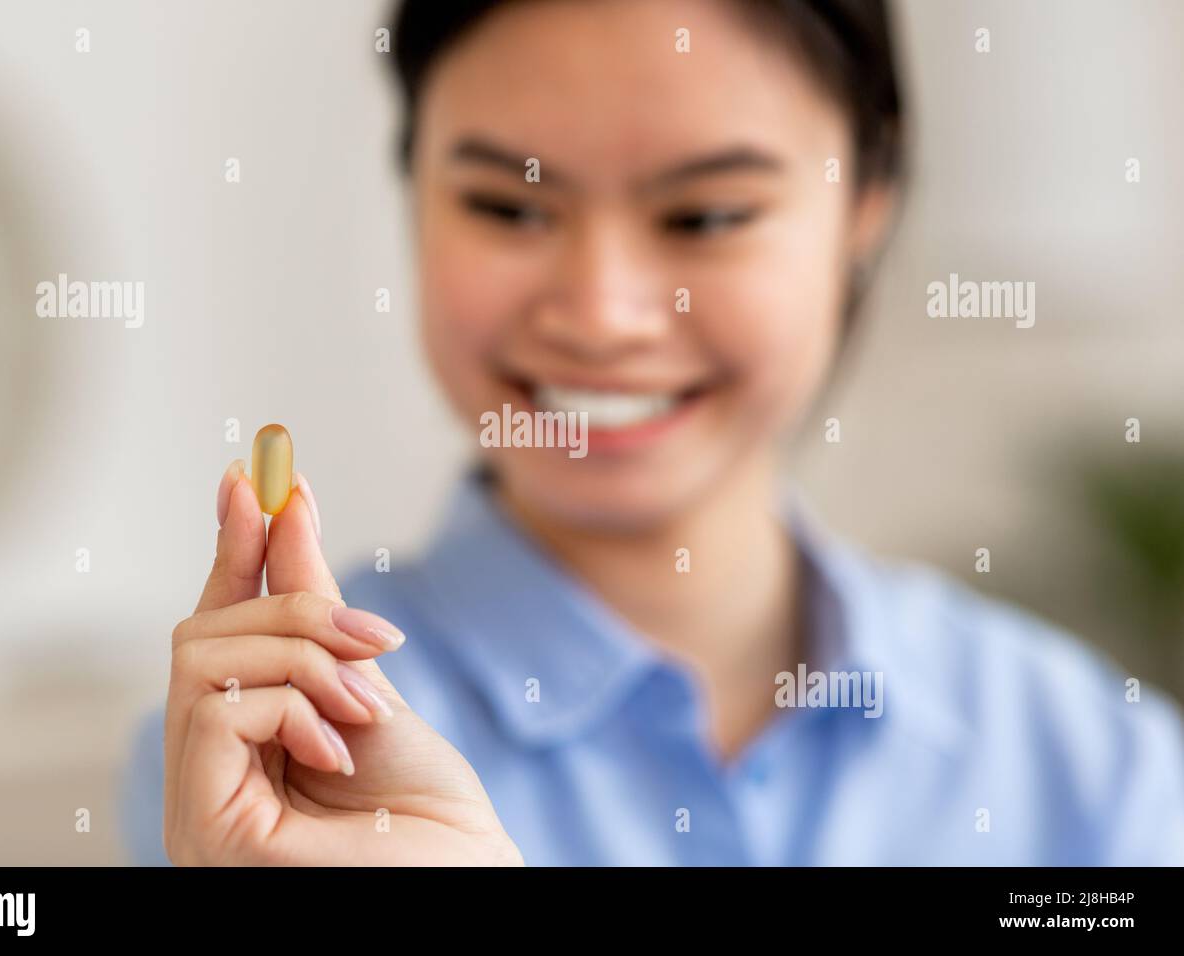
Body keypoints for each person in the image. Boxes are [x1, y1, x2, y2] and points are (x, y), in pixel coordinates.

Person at [122, 0, 1184, 865]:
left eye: (705, 217)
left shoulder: (1094, 763)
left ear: (867, 204)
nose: (602, 311)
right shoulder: (267, 757)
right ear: (414, 193)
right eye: (508, 207)